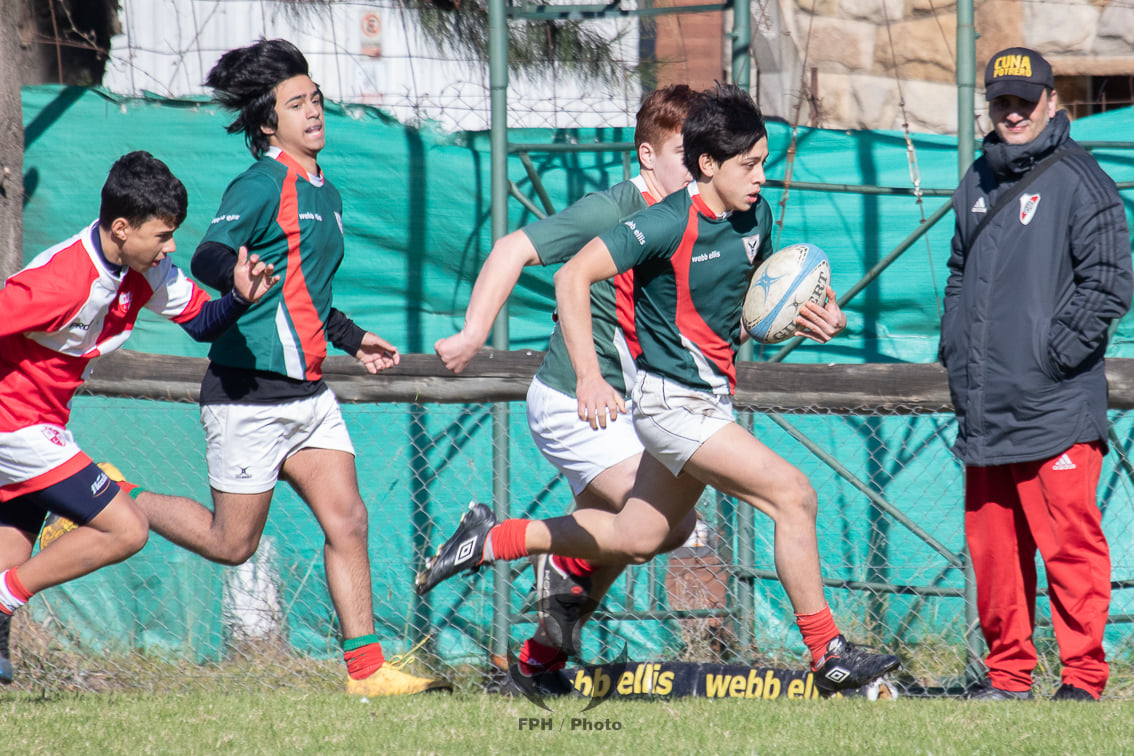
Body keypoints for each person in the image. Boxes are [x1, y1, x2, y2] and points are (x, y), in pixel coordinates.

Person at [419, 83, 901, 696]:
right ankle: (827, 653)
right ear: (707, 165)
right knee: (794, 495)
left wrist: (817, 312)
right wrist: (589, 375)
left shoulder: (758, 216)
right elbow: (571, 276)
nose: (760, 177)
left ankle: (494, 540)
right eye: (748, 165)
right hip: (670, 408)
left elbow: (750, 306)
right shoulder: (663, 221)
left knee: (641, 536)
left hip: (708, 399)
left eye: (763, 163)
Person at [125, 39, 450, 697]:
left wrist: (355, 339)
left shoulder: (323, 191)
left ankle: (366, 673)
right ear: (268, 122)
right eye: (297, 104)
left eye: (317, 100)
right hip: (247, 393)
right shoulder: (262, 181)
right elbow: (214, 252)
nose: (314, 112)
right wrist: (233, 276)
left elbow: (307, 293)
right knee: (231, 545)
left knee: (348, 519)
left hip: (308, 393)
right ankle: (109, 496)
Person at [434, 85, 701, 695]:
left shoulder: (698, 220)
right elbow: (510, 250)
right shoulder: (614, 211)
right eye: (684, 151)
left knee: (630, 538)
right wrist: (475, 332)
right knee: (657, 524)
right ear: (647, 158)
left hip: (635, 408)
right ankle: (517, 545)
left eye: (704, 151)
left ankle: (536, 664)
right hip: (574, 403)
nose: (696, 165)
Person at [0, 151, 277, 640]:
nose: (171, 249)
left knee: (11, 560)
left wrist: (237, 298)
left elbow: (201, 323)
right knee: (126, 529)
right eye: (163, 235)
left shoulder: (144, 270)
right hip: (16, 425)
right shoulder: (62, 282)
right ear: (123, 228)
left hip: (43, 423)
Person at [941, 47, 1132, 702]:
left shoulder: (1082, 179)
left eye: (1026, 100)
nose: (1014, 112)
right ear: (989, 107)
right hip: (985, 410)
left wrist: (1052, 355)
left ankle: (1083, 680)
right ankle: (1008, 677)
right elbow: (959, 273)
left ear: (1053, 101)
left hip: (1055, 409)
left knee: (1070, 550)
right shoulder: (977, 180)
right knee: (996, 558)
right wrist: (956, 354)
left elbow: (1110, 281)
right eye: (1002, 101)